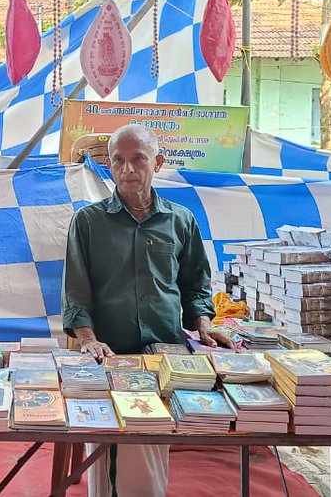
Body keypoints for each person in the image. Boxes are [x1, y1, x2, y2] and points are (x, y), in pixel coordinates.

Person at [62, 123, 234, 496]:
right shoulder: (88, 222)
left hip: (163, 355)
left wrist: (203, 324)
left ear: (157, 161)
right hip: (110, 354)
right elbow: (76, 294)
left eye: (137, 159)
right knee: (106, 451)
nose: (127, 169)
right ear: (109, 166)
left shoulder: (181, 220)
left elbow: (195, 286)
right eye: (118, 161)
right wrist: (88, 340)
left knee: (150, 445)